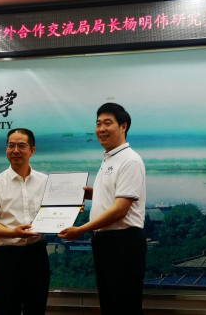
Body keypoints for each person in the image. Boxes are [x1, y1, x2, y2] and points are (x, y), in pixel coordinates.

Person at [59, 103, 147, 315]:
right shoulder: (110, 158)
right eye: (98, 124)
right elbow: (111, 196)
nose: (101, 129)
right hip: (106, 243)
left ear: (123, 126)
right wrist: (87, 194)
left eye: (108, 123)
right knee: (110, 304)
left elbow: (119, 210)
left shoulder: (130, 160)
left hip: (123, 243)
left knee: (124, 306)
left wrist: (81, 230)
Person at [0, 128, 49, 315]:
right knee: (7, 310)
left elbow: (55, 212)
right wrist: (13, 233)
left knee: (37, 310)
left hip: (37, 255)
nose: (15, 150)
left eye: (21, 146)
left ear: (32, 151)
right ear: (6, 150)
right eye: (11, 146)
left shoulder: (45, 182)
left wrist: (71, 210)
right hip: (6, 258)